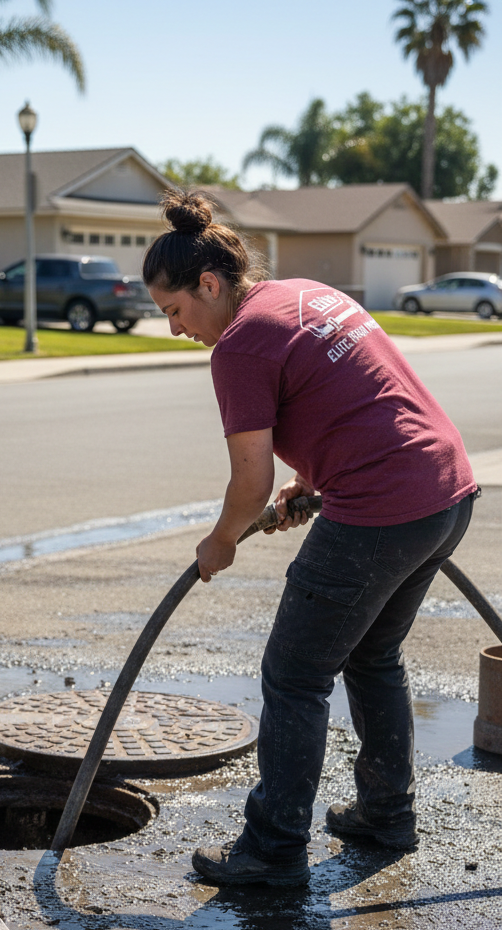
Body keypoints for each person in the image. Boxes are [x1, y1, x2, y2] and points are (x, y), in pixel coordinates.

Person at [142, 191, 478, 887]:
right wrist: (312, 475)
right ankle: (387, 815)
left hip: (384, 507)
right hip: (446, 490)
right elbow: (349, 394)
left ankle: (272, 849)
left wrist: (221, 542)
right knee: (374, 653)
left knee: (295, 673)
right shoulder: (301, 293)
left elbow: (247, 480)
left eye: (174, 311)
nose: (176, 330)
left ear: (208, 284)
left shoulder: (236, 346)